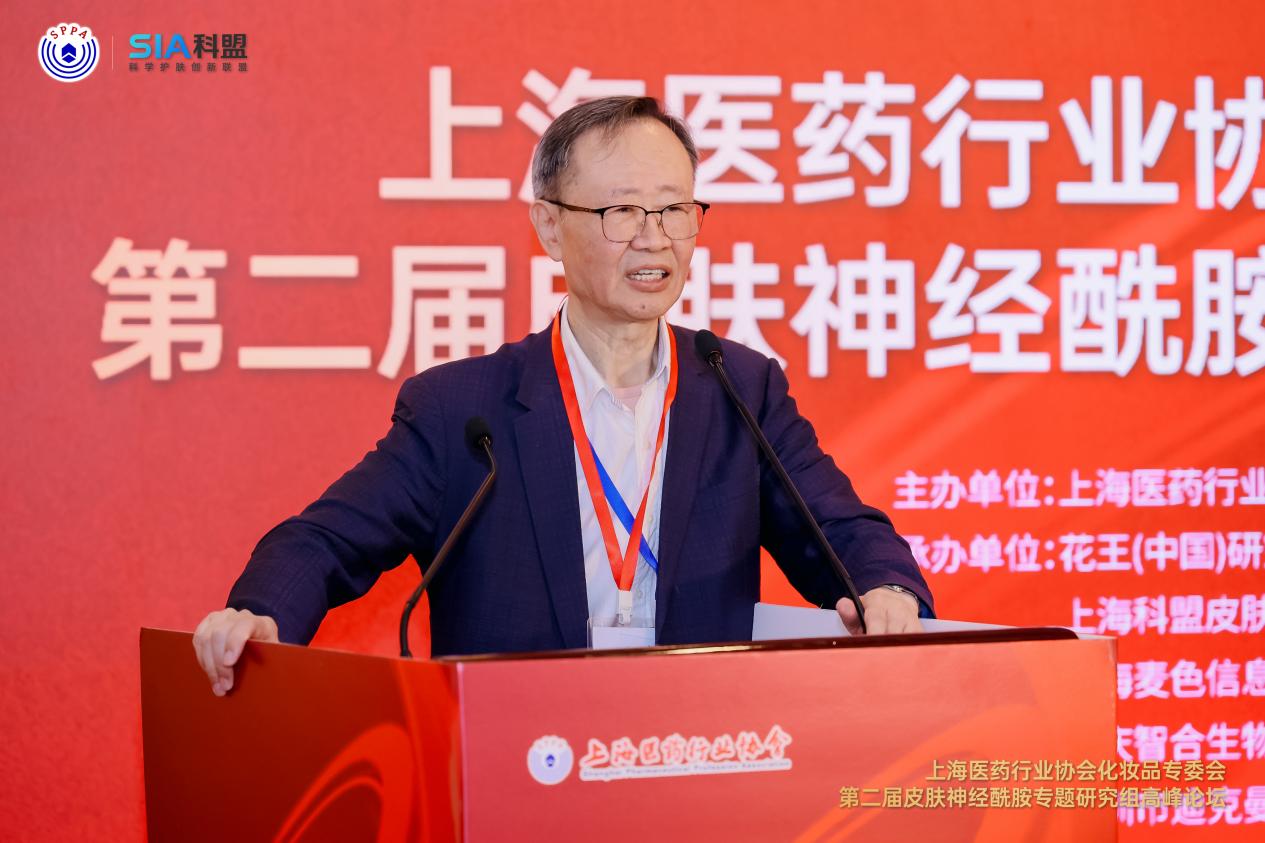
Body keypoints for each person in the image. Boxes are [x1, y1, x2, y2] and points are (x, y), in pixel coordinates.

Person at [193, 96, 933, 696]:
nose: (655, 239)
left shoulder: (739, 388)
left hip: (701, 755)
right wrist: (260, 613)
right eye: (622, 212)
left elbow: (841, 529)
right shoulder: (462, 410)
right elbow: (323, 540)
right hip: (517, 766)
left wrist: (889, 590)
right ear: (549, 226)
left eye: (675, 209)